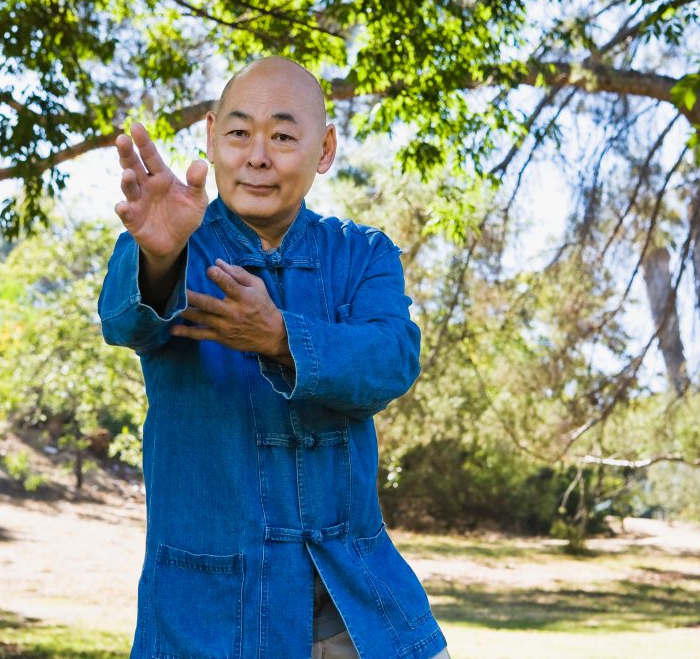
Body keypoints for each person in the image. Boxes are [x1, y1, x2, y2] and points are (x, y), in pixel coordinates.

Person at [98, 56, 450, 659]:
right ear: (211, 136)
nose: (257, 156)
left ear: (324, 149)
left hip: (356, 605)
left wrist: (280, 336)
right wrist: (157, 259)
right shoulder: (175, 240)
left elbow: (392, 359)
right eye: (239, 133)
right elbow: (125, 320)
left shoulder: (363, 254)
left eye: (284, 136)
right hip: (207, 611)